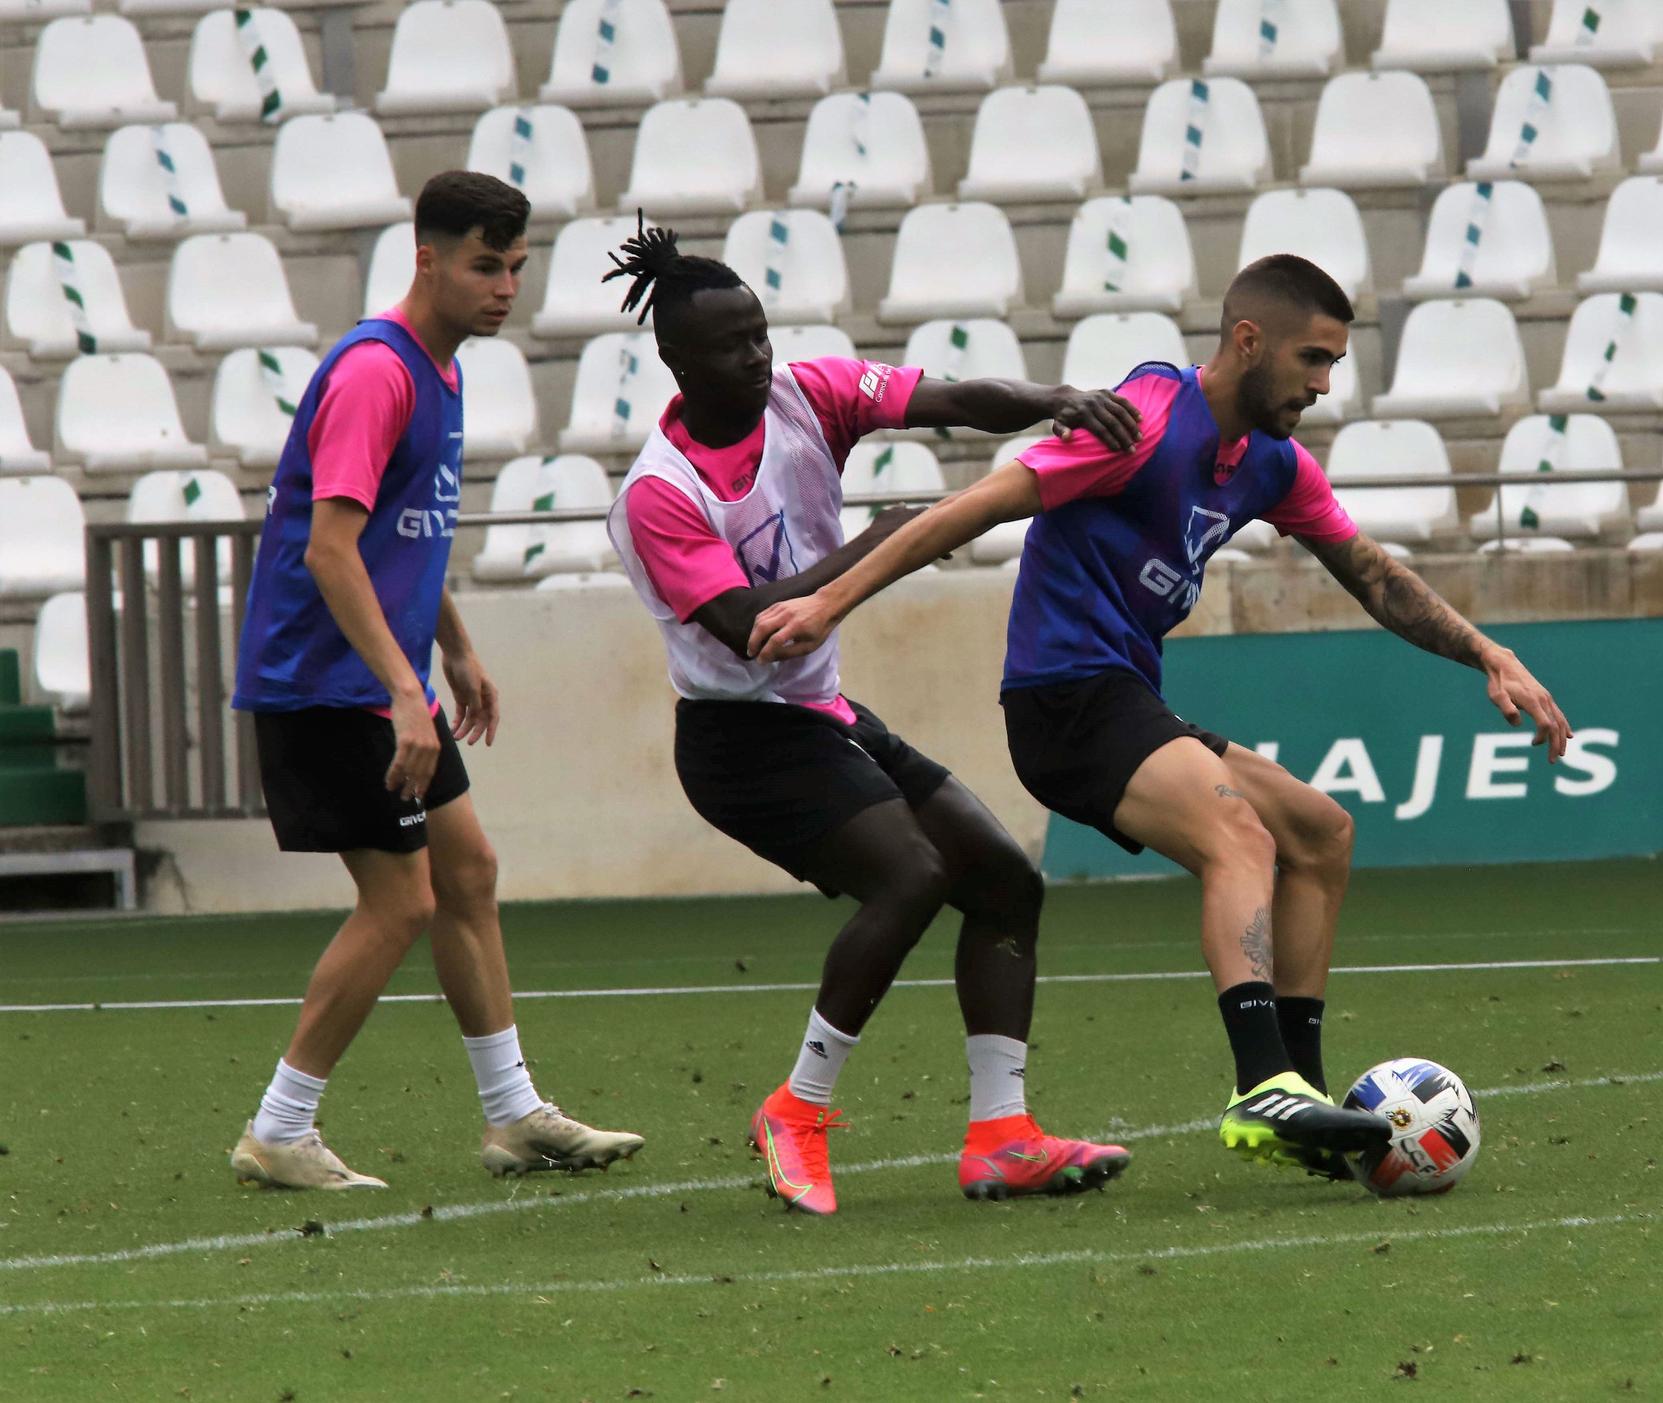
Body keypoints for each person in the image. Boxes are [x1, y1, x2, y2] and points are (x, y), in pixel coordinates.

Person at [747, 254, 1575, 1178]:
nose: (1324, 383)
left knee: (1320, 831)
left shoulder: (1268, 462)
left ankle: (1300, 1100)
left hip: (1127, 698)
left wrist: (1488, 654)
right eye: (1312, 358)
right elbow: (978, 506)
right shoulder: (1142, 420)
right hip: (1063, 699)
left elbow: (1374, 575)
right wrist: (831, 603)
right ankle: (1262, 1083)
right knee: (1240, 833)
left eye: (1335, 364)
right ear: (1247, 341)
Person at [600, 221, 1142, 1215]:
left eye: (759, 331)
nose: (757, 355)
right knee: (911, 872)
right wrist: (890, 539)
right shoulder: (657, 494)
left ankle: (1002, 1136)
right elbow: (752, 627)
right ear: (676, 363)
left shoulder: (806, 394)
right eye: (730, 344)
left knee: (1003, 882)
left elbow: (952, 399)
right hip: (739, 740)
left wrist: (1058, 400)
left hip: (824, 714)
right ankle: (795, 1110)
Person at [227, 172, 644, 1189]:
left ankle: (512, 1115)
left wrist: (453, 644)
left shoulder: (442, 371)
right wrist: (406, 690)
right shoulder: (379, 372)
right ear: (426, 259)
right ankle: (279, 1125)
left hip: (383, 682)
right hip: (328, 685)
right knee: (400, 901)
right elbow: (332, 550)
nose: (505, 286)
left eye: (514, 267)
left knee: (468, 872)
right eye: (483, 265)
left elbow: (404, 531)